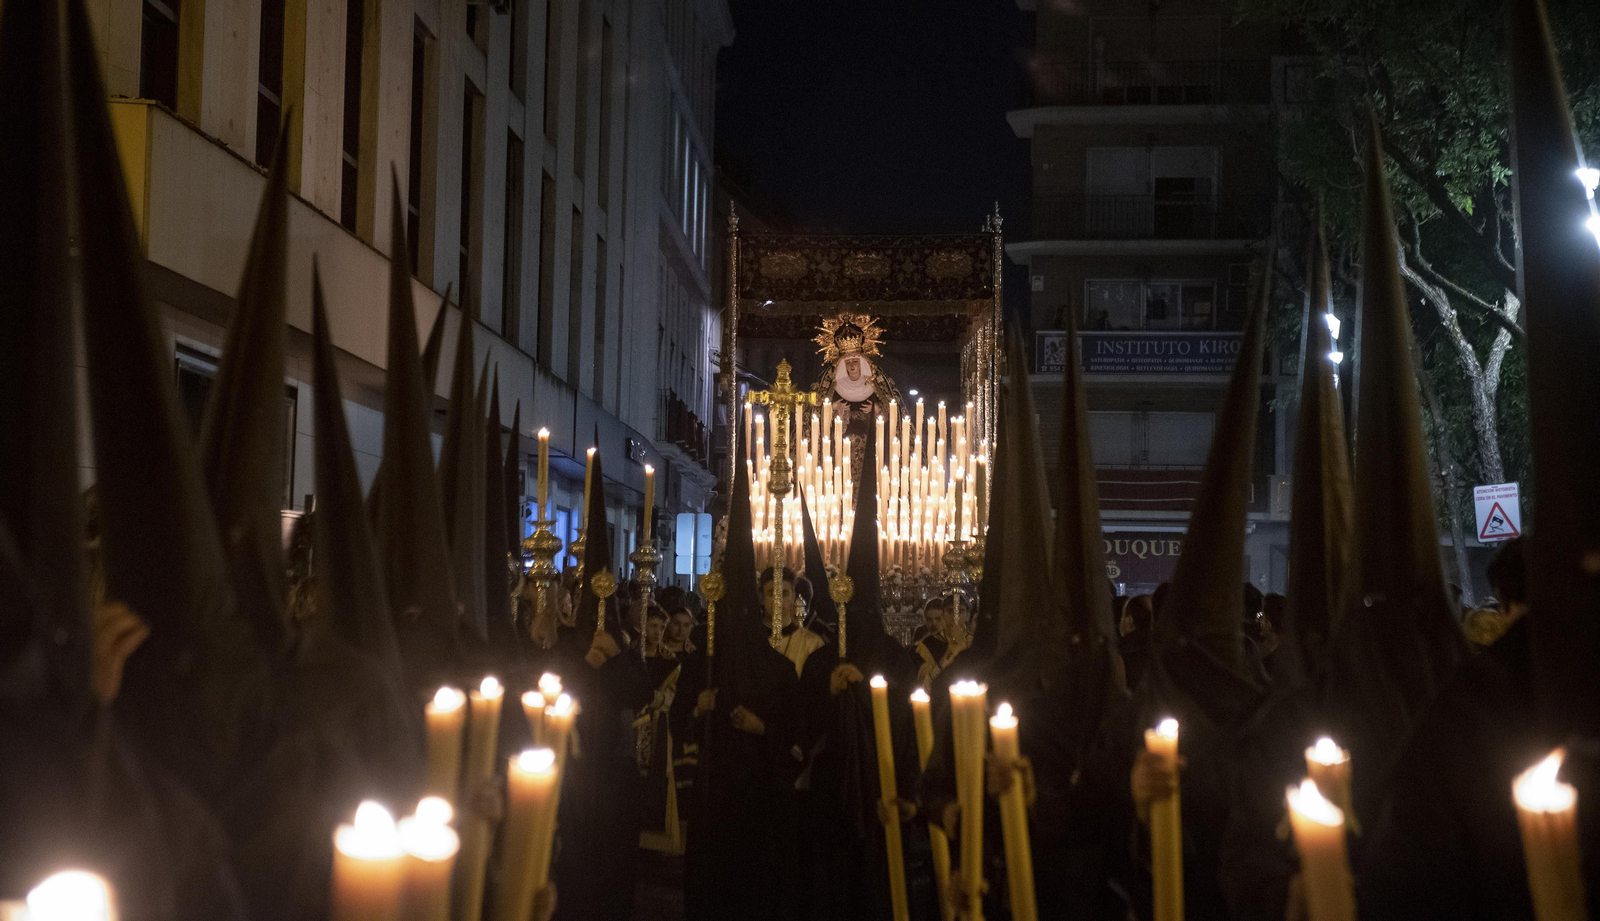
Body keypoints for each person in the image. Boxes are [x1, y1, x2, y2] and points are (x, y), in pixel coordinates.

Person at [763, 567, 827, 679]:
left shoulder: (812, 643)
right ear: (761, 597)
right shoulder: (748, 640)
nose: (777, 600)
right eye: (771, 593)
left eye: (784, 593)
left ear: (793, 596)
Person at [912, 596, 970, 687]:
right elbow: (925, 683)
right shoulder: (925, 646)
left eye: (938, 619)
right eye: (929, 620)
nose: (934, 624)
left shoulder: (970, 639)